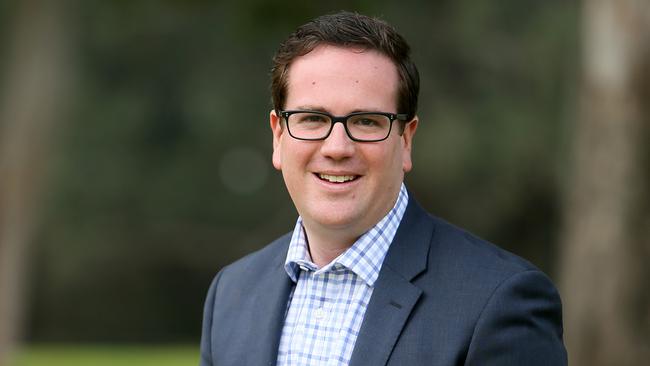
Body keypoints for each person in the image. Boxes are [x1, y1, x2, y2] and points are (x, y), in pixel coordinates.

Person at [199, 11, 567, 366]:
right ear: (279, 136)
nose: (337, 148)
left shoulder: (500, 301)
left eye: (366, 121)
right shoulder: (231, 294)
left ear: (406, 140)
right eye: (312, 119)